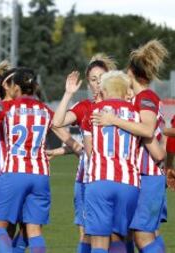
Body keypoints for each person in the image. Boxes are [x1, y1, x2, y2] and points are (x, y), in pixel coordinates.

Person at [0, 63, 65, 253]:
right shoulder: (44, 109)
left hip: (10, 173)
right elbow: (64, 130)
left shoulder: (6, 107)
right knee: (33, 232)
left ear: (14, 87)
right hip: (40, 174)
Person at [91, 39, 168, 253]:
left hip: (148, 174)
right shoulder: (138, 99)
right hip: (136, 175)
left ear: (131, 73)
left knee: (143, 237)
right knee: (127, 233)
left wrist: (113, 120)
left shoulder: (145, 97)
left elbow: (147, 129)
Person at [50, 54, 117, 253]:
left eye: (102, 78)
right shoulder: (85, 107)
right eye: (93, 80)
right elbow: (56, 122)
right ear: (88, 83)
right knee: (87, 234)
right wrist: (68, 94)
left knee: (117, 235)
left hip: (118, 178)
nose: (98, 84)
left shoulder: (121, 106)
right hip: (87, 180)